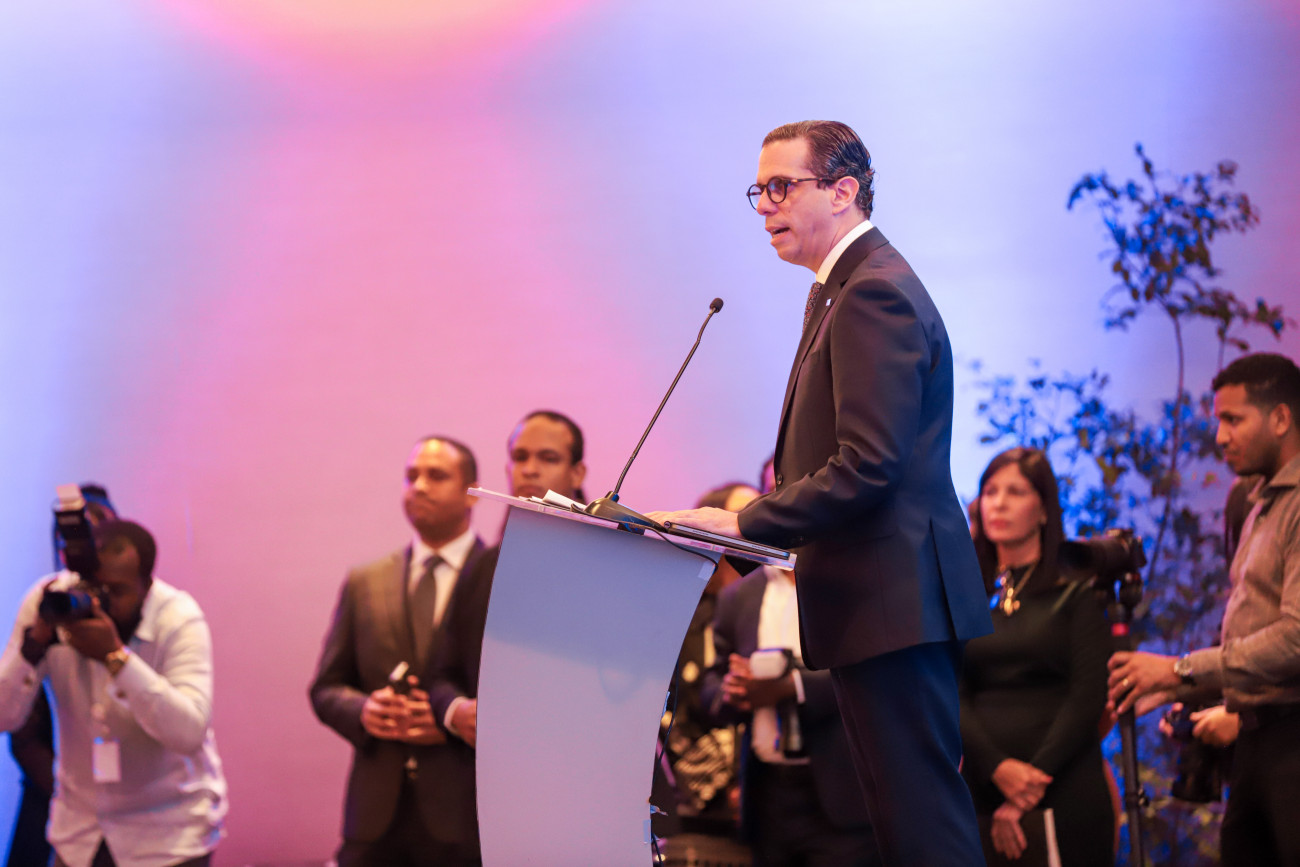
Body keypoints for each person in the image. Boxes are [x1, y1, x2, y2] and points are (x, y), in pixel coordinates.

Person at [650, 119, 991, 865]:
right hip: (876, 602)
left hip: (894, 602)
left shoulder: (874, 293)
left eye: (782, 186)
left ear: (843, 191)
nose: (766, 206)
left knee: (925, 835)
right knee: (905, 836)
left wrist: (743, 521)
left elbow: (868, 464)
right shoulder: (841, 289)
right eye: (759, 191)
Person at [1110, 352, 1300, 866]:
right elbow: (1255, 626)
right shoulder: (1256, 501)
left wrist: (1181, 669)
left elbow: (1295, 638)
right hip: (1256, 742)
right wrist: (1184, 689)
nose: (1220, 436)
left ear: (1281, 418)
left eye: (1233, 419)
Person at [310, 435, 494, 867]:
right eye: (412, 476)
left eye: (437, 475)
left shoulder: (499, 579)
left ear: (472, 493)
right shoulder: (366, 581)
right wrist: (364, 711)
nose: (420, 486)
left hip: (466, 816)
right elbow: (325, 688)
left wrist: (451, 718)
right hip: (374, 817)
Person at [0, 520, 227, 867]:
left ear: (146, 585)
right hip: (78, 833)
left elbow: (189, 733)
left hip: (168, 836)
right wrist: (30, 652)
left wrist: (116, 658)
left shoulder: (178, 617)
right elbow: (4, 718)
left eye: (116, 592)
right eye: (93, 587)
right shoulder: (54, 601)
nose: (99, 603)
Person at [960, 448, 1114, 865]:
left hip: (1064, 784)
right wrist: (997, 768)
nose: (999, 503)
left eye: (1015, 492)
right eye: (990, 492)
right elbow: (951, 691)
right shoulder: (966, 594)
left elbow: (1088, 697)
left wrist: (1029, 784)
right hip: (982, 785)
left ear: (1044, 510)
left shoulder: (1076, 591)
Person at [426, 410, 587, 754]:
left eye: (548, 458)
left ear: (578, 472)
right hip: (498, 759)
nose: (529, 469)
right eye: (519, 457)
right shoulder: (483, 566)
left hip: (587, 752)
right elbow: (440, 674)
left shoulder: (614, 560)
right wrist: (457, 711)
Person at [8, 484, 119, 867]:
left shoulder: (150, 606)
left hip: (134, 813)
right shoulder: (46, 604)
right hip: (55, 796)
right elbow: (17, 727)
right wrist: (35, 642)